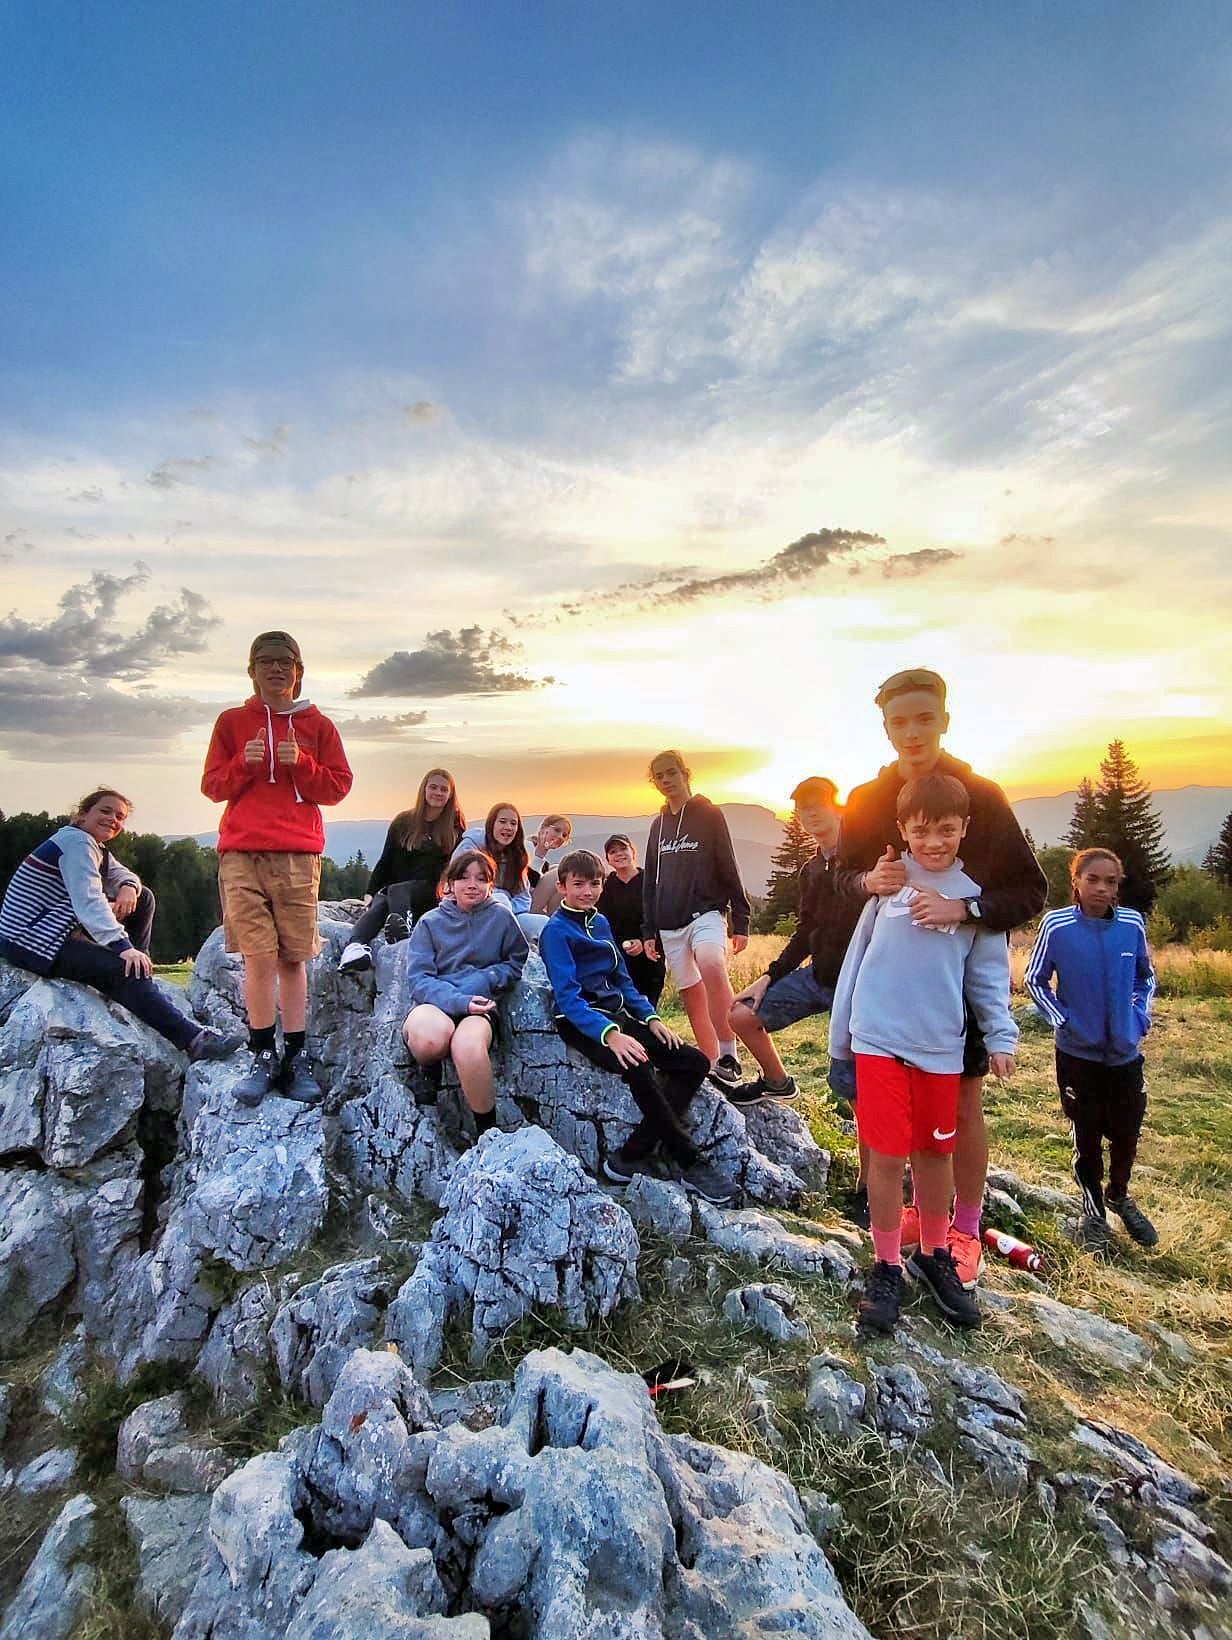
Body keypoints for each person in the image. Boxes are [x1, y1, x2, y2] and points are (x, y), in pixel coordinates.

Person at [837, 667, 1046, 1286]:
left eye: (924, 718)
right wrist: (865, 883)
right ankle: (900, 1223)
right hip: (887, 989)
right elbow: (835, 883)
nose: (911, 732)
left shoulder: (980, 796)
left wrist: (967, 911)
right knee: (880, 1111)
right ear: (884, 727)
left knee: (959, 1105)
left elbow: (1030, 890)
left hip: (959, 991)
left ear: (945, 720)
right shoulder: (867, 801)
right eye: (898, 721)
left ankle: (963, 1230)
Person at [830, 774, 1018, 1334]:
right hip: (878, 1041)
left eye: (945, 829)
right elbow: (855, 961)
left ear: (965, 828)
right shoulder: (887, 886)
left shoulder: (972, 901)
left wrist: (1002, 1035)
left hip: (942, 1048)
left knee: (935, 1157)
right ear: (902, 830)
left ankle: (933, 1253)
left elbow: (987, 979)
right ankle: (887, 1263)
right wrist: (842, 1041)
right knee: (886, 1158)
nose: (933, 841)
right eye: (921, 830)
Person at [201, 630, 352, 1107]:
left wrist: (303, 764)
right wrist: (244, 765)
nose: (276, 669)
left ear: (298, 670)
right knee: (258, 957)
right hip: (241, 852)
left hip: (296, 853)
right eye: (265, 661)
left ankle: (296, 1056)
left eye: (285, 662)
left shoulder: (318, 725)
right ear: (251, 670)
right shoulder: (231, 722)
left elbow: (337, 787)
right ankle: (263, 1054)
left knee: (292, 958)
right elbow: (212, 786)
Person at [540, 850, 733, 1203]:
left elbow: (623, 981)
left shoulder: (599, 922)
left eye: (594, 884)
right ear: (563, 886)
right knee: (638, 1061)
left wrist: (652, 1018)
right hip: (581, 1021)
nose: (587, 892)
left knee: (695, 1062)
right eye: (578, 884)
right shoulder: (556, 932)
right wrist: (611, 1035)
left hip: (619, 1016)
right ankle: (689, 1161)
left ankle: (631, 1155)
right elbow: (568, 999)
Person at [0, 787, 243, 1060]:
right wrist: (122, 947)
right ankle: (195, 1040)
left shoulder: (89, 843)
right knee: (122, 969)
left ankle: (140, 974)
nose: (113, 819)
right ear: (82, 815)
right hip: (32, 940)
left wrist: (128, 887)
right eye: (105, 811)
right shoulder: (77, 844)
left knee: (144, 898)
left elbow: (120, 873)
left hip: (51, 928)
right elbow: (90, 901)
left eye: (120, 816)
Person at [1025, 848, 1158, 1250]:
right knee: (1087, 1135)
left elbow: (1145, 979)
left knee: (1127, 1133)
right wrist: (1065, 1021)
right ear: (1076, 884)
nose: (1102, 888)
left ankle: (1119, 1194)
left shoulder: (1132, 925)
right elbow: (1035, 979)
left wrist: (1138, 1019)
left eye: (1111, 881)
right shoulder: (1057, 925)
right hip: (1077, 1056)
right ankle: (1094, 1211)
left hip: (1124, 1055)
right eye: (1093, 880)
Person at [728, 777, 862, 1110]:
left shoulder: (862, 858)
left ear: (837, 806)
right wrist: (769, 976)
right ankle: (777, 1082)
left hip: (860, 983)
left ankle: (885, 1162)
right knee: (741, 1014)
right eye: (803, 808)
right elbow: (805, 932)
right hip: (819, 976)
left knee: (853, 1084)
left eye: (818, 805)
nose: (810, 814)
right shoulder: (812, 869)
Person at [642, 750, 750, 1090]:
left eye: (672, 772)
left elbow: (727, 863)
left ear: (685, 773)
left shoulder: (709, 814)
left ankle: (730, 1052)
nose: (666, 780)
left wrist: (741, 918)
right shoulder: (658, 826)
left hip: (705, 911)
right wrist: (649, 930)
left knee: (712, 965)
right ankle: (713, 1064)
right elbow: (650, 881)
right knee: (691, 994)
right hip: (668, 922)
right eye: (659, 776)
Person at [402, 850, 528, 1138]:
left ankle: (487, 1133)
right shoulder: (430, 922)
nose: (472, 884)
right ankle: (428, 1068)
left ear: (490, 885)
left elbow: (516, 959)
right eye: (464, 877)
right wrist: (460, 1001)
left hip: (481, 1005)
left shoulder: (501, 917)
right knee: (429, 1038)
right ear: (450, 883)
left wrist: (491, 977)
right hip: (436, 1003)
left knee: (468, 1047)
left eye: (481, 879)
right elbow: (419, 979)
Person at [338, 768, 465, 973]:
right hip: (398, 893)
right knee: (382, 900)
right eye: (433, 787)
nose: (438, 793)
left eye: (444, 789)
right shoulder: (404, 822)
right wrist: (370, 893)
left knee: (395, 891)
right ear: (424, 789)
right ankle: (355, 948)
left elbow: (459, 865)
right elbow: (385, 860)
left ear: (450, 795)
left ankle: (403, 931)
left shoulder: (455, 827)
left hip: (432, 892)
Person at [597, 833, 665, 1007]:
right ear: (608, 859)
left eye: (623, 849)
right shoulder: (605, 886)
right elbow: (602, 922)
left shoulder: (650, 883)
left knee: (648, 1005)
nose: (619, 854)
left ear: (633, 852)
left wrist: (643, 942)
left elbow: (661, 918)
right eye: (613, 851)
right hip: (618, 956)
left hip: (650, 955)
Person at [525, 814, 575, 934]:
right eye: (557, 830)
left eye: (564, 835)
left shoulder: (545, 864)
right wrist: (541, 849)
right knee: (559, 872)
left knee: (558, 872)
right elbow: (524, 883)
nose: (559, 836)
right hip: (520, 904)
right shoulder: (525, 847)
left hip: (531, 903)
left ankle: (555, 921)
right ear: (543, 828)